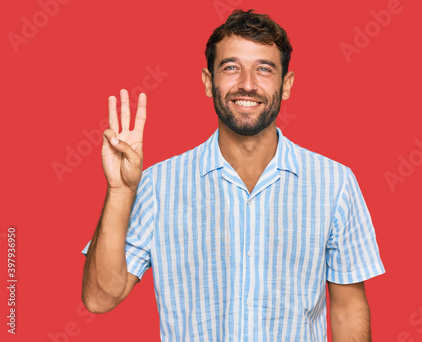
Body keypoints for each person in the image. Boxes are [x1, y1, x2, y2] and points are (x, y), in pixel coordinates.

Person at [81, 9, 385, 341]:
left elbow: (347, 310)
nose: (247, 85)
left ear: (286, 85)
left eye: (264, 69)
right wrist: (120, 191)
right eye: (231, 68)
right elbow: (100, 297)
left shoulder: (335, 183)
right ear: (208, 82)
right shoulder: (159, 185)